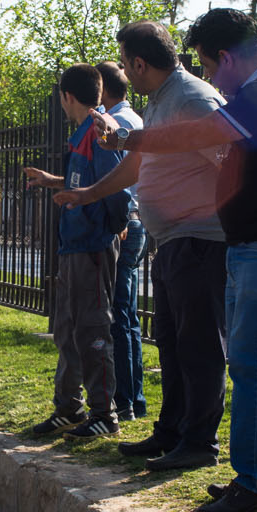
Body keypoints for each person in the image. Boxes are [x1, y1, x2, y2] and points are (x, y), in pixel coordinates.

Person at [102, 8, 257, 512]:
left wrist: (126, 138)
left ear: (225, 57)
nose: (211, 80)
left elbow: (197, 136)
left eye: (209, 66)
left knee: (253, 365)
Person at [57, 22, 228, 472]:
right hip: (172, 243)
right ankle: (172, 431)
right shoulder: (160, 102)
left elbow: (232, 162)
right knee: (171, 342)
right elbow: (137, 165)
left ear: (138, 62)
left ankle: (199, 442)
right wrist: (87, 194)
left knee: (200, 347)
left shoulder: (192, 98)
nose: (125, 75)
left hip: (202, 243)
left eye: (126, 64)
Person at [24, 64, 132, 441]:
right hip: (73, 246)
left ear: (67, 96)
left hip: (92, 247)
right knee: (68, 330)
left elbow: (118, 190)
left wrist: (112, 228)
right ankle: (68, 408)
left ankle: (105, 413)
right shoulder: (81, 135)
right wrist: (53, 181)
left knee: (92, 328)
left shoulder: (99, 131)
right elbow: (88, 184)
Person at [95, 61, 148, 426]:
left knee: (119, 317)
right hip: (133, 222)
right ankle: (133, 398)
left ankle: (127, 399)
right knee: (126, 317)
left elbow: (120, 178)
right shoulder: (134, 118)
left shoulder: (117, 123)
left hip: (123, 225)